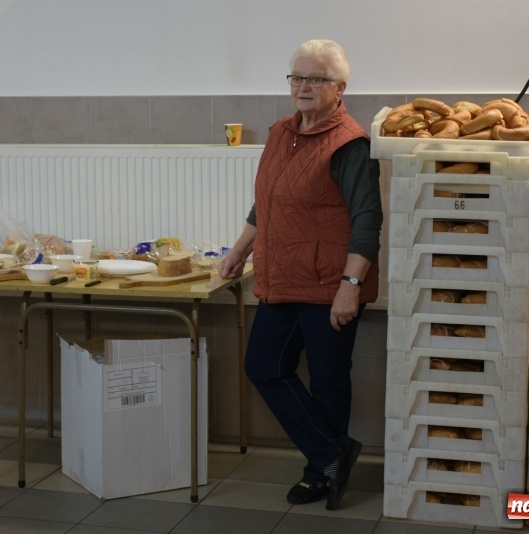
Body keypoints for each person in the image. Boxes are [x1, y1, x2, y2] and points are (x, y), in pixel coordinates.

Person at [217, 39, 383, 510]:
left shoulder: (350, 144)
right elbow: (265, 203)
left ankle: (319, 473)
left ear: (340, 88)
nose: (303, 87)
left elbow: (368, 219)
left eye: (316, 79)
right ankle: (332, 455)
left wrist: (350, 286)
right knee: (264, 367)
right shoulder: (280, 133)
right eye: (297, 77)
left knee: (329, 381)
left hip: (329, 285)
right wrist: (239, 251)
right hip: (281, 278)